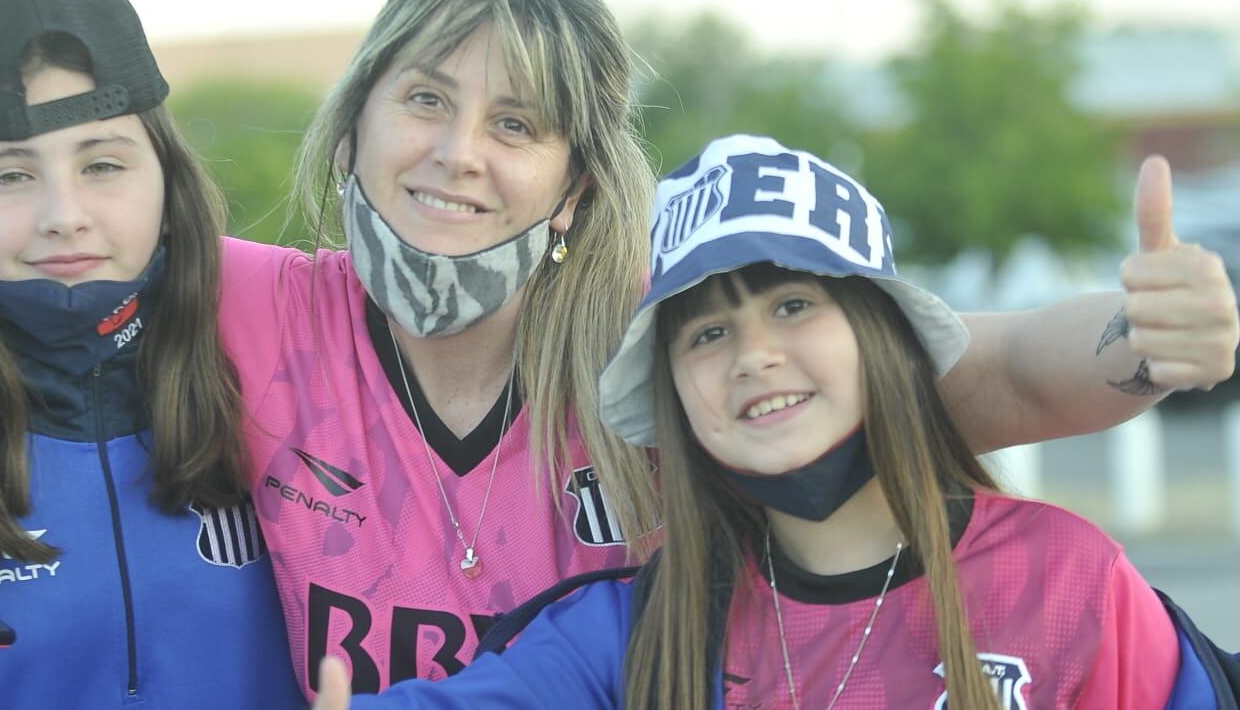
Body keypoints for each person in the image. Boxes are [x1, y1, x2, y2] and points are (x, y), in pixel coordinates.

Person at [0, 0, 1238, 700]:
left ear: (576, 183)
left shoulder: (666, 347)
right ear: (360, 117)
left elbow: (967, 375)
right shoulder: (254, 302)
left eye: (517, 124)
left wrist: (1140, 342)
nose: (460, 152)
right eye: (426, 100)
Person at [307, 135, 1224, 709]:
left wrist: (1163, 330)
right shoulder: (627, 637)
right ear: (671, 396)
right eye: (708, 331)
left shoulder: (1066, 581)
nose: (753, 355)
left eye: (792, 307)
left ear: (883, 338)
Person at [0, 0, 303, 708]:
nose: (65, 216)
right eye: (11, 175)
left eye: (103, 165)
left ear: (167, 176)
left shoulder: (290, 361)